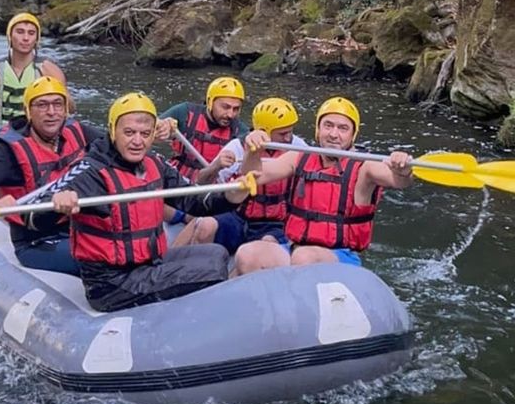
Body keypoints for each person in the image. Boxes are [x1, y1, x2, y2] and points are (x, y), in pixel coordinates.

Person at [24, 92, 251, 312]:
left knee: (216, 254)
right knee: (210, 271)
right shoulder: (90, 171)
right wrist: (57, 203)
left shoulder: (154, 163)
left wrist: (232, 197)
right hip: (111, 284)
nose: (137, 141)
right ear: (113, 131)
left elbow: (195, 202)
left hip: (147, 264)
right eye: (129, 132)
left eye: (145, 133)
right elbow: (31, 216)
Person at [231, 96, 414, 275]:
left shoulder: (365, 166)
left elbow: (399, 182)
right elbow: (253, 175)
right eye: (328, 126)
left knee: (303, 257)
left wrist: (403, 170)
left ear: (353, 135)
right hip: (294, 249)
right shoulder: (299, 157)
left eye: (343, 128)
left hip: (341, 257)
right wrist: (252, 150)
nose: (334, 134)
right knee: (248, 254)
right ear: (318, 130)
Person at [0, 76, 105, 275]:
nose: (51, 112)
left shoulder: (77, 130)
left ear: (65, 109)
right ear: (28, 111)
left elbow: (117, 146)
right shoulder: (8, 151)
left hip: (80, 226)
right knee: (104, 258)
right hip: (37, 241)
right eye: (42, 105)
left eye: (57, 104)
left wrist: (153, 130)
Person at [172, 97, 307, 253]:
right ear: (265, 131)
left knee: (267, 243)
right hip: (238, 215)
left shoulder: (298, 146)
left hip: (274, 222)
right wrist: (216, 166)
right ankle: (190, 268)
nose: (288, 138)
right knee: (204, 225)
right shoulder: (237, 146)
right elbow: (206, 185)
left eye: (290, 132)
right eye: (283, 133)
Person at [0, 12, 73, 149]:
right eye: (20, 32)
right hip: (2, 142)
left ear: (37, 39)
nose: (26, 38)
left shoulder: (49, 70)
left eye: (31, 33)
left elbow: (67, 110)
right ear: (10, 36)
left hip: (36, 142)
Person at [158, 76, 245, 184]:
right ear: (210, 102)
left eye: (236, 109)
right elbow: (149, 127)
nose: (230, 114)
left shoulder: (240, 131)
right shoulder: (185, 112)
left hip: (210, 184)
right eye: (225, 107)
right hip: (177, 179)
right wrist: (163, 127)